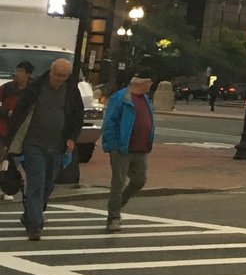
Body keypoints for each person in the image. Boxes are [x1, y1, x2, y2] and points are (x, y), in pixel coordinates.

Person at [4, 58, 83, 241]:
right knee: (36, 182)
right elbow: (19, 113)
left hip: (57, 146)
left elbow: (76, 117)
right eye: (57, 75)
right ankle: (35, 225)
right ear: (50, 71)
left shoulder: (71, 91)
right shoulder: (36, 88)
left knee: (48, 184)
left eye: (64, 76)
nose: (60, 79)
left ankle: (30, 215)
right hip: (34, 144)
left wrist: (72, 138)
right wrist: (12, 141)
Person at [101, 70, 155, 232]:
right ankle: (113, 217)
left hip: (141, 148)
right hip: (122, 148)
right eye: (148, 82)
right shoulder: (121, 98)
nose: (150, 85)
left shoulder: (145, 99)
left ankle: (116, 204)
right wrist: (112, 145)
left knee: (139, 181)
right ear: (138, 83)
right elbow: (110, 123)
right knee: (118, 182)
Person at [0, 60, 35, 155]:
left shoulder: (33, 91)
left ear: (28, 74)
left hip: (24, 133)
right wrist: (7, 112)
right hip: (4, 130)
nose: (17, 74)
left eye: (21, 71)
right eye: (17, 70)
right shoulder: (6, 88)